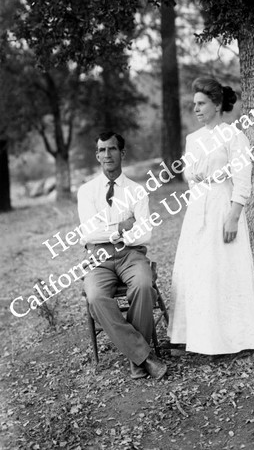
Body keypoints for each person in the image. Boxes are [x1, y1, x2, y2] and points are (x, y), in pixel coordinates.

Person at [167, 77, 254, 355]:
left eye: (201, 103)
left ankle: (231, 340)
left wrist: (233, 217)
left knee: (224, 273)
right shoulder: (192, 139)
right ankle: (193, 337)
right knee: (196, 273)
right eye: (194, 104)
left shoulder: (235, 136)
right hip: (198, 209)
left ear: (217, 104)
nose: (196, 109)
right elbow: (190, 177)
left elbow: (243, 181)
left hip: (224, 207)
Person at [77, 131, 167, 380]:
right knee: (95, 296)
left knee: (143, 285)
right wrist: (121, 227)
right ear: (97, 155)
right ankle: (143, 356)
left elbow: (144, 234)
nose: (107, 154)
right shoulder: (86, 192)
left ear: (122, 153)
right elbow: (88, 233)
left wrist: (108, 232)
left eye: (112, 149)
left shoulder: (137, 191)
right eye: (102, 150)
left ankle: (136, 359)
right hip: (99, 259)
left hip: (131, 255)